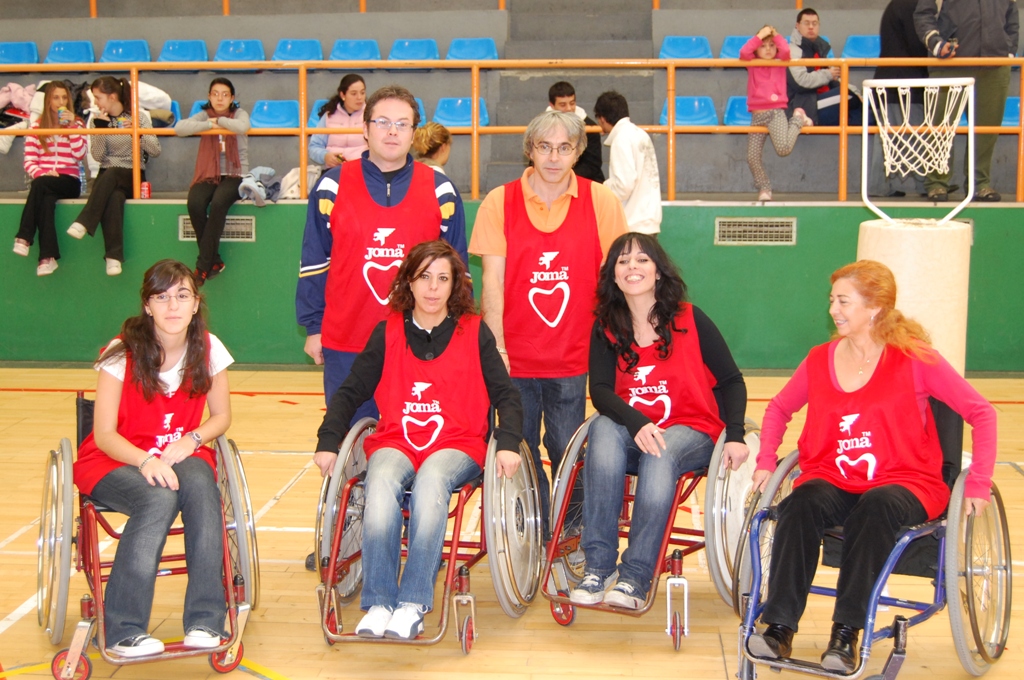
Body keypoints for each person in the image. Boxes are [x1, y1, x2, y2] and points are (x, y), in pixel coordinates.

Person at [747, 260, 997, 672]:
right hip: (835, 477)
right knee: (801, 503)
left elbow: (982, 412)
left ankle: (845, 633)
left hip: (906, 481)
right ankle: (778, 627)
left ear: (875, 308)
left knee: (876, 507)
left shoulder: (914, 358)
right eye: (832, 300)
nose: (833, 309)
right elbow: (778, 409)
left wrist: (979, 483)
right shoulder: (819, 359)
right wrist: (764, 460)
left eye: (843, 301)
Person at [312, 240, 523, 640]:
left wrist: (509, 441)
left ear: (455, 285)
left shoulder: (475, 332)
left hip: (457, 443)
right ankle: (378, 602)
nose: (432, 287)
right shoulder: (387, 331)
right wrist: (329, 439)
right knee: (380, 480)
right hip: (398, 439)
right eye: (424, 276)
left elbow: (507, 395)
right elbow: (351, 391)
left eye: (443, 278)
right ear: (409, 281)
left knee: (430, 482)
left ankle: (412, 602)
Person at [296, 84, 468, 570]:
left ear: (414, 133)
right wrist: (313, 327)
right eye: (382, 123)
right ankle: (348, 537)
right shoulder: (331, 186)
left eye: (402, 124)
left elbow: (456, 270)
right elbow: (314, 262)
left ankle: (418, 539)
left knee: (414, 439)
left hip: (420, 345)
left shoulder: (440, 189)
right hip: (348, 339)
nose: (392, 132)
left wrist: (453, 334)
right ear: (364, 128)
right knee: (350, 446)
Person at [569, 234, 749, 609]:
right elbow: (600, 391)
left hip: (692, 430)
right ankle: (598, 569)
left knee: (661, 451)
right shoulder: (606, 326)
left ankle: (635, 576)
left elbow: (732, 380)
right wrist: (637, 423)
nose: (632, 267)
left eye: (641, 260)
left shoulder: (689, 317)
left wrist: (735, 434)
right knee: (602, 427)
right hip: (636, 433)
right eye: (622, 261)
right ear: (613, 276)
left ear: (658, 270)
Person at [470, 110, 628, 536]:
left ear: (578, 151)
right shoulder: (498, 202)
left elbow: (619, 280)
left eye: (564, 148)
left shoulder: (601, 201)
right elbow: (493, 283)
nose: (554, 158)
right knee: (515, 448)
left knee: (565, 449)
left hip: (574, 358)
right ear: (530, 150)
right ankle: (537, 524)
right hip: (514, 357)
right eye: (544, 147)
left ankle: (569, 528)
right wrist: (497, 347)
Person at [71, 259, 233, 658]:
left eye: (182, 295)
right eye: (161, 297)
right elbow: (105, 434)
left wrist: (193, 439)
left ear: (196, 303)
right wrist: (146, 461)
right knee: (157, 497)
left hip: (177, 453)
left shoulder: (209, 348)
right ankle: (123, 627)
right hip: (115, 460)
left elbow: (222, 417)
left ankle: (205, 620)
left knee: (201, 483)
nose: (172, 306)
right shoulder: (121, 352)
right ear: (147, 305)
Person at [915, 0, 1018, 202]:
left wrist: (1008, 50)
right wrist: (936, 43)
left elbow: (1012, 18)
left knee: (987, 130)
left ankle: (979, 184)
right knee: (941, 127)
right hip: (949, 64)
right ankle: (936, 183)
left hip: (994, 66)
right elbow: (923, 15)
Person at [66, 76, 162, 276]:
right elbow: (99, 157)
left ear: (112, 97)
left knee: (114, 173)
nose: (96, 103)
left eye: (98, 97)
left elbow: (155, 150)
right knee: (114, 197)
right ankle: (113, 257)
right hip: (108, 175)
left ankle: (85, 220)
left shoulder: (139, 117)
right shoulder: (96, 120)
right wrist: (100, 130)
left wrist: (137, 133)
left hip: (132, 173)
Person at [175, 78, 250, 285]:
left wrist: (221, 122)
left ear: (232, 98)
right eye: (215, 94)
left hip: (235, 174)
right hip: (209, 173)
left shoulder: (238, 113)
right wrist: (209, 124)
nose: (220, 98)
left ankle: (202, 267)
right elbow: (180, 128)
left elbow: (243, 126)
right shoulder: (204, 115)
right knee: (195, 203)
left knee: (218, 203)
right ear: (209, 96)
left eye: (225, 94)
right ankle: (214, 261)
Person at [13, 81, 86, 276]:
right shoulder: (37, 127)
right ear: (48, 101)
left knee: (40, 185)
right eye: (56, 97)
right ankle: (47, 257)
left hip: (69, 180)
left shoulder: (77, 124)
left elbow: (80, 154)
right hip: (44, 181)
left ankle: (24, 236)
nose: (60, 102)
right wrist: (42, 174)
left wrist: (71, 128)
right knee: (45, 201)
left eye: (64, 97)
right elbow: (29, 161)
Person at [740, 25, 812, 202]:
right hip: (757, 117)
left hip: (775, 113)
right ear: (756, 48)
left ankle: (797, 118)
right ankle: (764, 187)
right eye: (763, 45)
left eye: (771, 45)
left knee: (783, 149)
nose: (767, 49)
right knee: (752, 157)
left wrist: (776, 34)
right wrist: (760, 35)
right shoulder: (752, 62)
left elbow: (786, 50)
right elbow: (743, 52)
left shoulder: (780, 61)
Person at [871, 0, 929, 198]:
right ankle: (925, 185)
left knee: (888, 137)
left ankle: (879, 185)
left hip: (890, 81)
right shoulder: (912, 6)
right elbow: (917, 43)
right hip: (905, 82)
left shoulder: (897, 5)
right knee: (916, 133)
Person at [593, 91, 662, 234]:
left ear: (602, 119)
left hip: (632, 224)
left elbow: (624, 185)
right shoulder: (640, 134)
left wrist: (601, 189)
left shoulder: (621, 139)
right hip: (649, 221)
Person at [787, 8, 865, 126]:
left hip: (821, 101)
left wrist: (856, 92)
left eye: (815, 23)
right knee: (847, 95)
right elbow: (800, 82)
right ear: (797, 26)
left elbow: (835, 80)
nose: (811, 27)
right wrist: (828, 74)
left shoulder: (820, 48)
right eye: (806, 23)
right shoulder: (793, 51)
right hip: (804, 106)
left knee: (864, 111)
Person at [547, 81, 605, 183]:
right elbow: (535, 161)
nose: (569, 108)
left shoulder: (590, 128)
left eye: (572, 103)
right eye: (562, 105)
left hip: (584, 182)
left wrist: (564, 177)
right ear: (552, 105)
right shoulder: (542, 127)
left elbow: (592, 165)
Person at [309, 74, 368, 168]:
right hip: (334, 170)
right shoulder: (329, 116)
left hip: (363, 169)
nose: (359, 97)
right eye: (354, 93)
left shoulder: (371, 115)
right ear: (342, 95)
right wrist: (325, 156)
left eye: (362, 92)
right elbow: (314, 146)